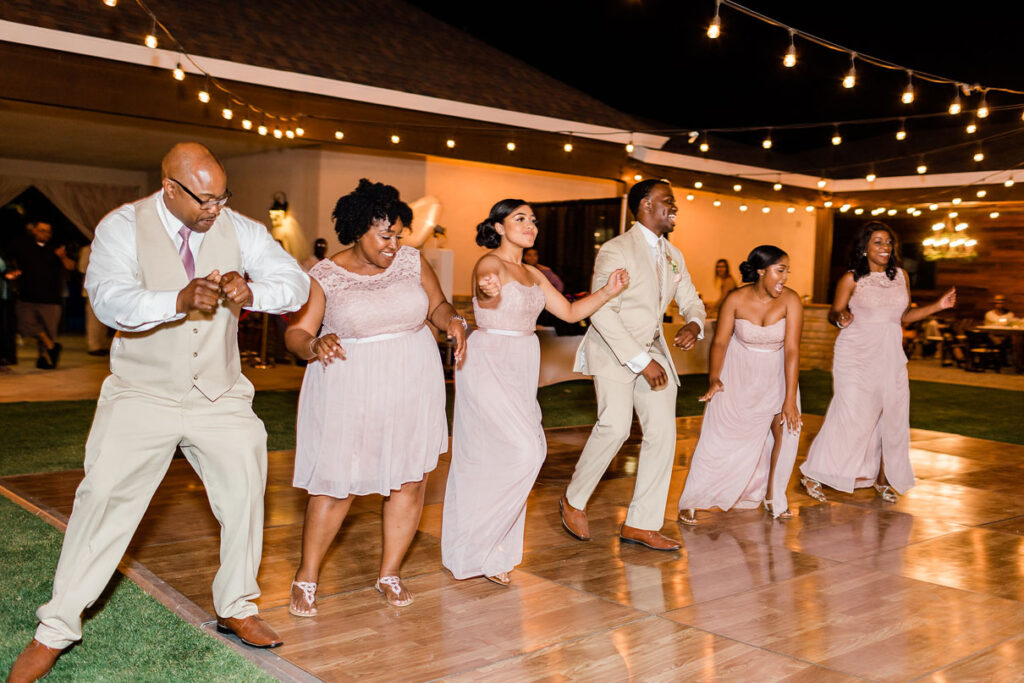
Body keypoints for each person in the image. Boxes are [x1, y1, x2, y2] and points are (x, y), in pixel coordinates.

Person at [7, 143, 309, 683]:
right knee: (101, 500)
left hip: (218, 393)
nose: (215, 208)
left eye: (222, 196)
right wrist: (175, 299)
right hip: (142, 392)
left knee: (246, 490)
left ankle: (236, 605)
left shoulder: (238, 227)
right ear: (170, 187)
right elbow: (107, 298)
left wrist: (254, 288)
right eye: (205, 199)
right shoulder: (122, 226)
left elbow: (296, 282)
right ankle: (55, 629)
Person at [286, 179, 466, 615]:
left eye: (398, 234)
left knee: (408, 479)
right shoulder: (326, 274)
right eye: (385, 235)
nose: (394, 243)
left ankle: (390, 572)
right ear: (358, 228)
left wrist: (453, 320)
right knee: (337, 482)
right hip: (351, 389)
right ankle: (306, 577)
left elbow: (436, 307)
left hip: (412, 383)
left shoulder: (411, 261)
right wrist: (313, 346)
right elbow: (297, 332)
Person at [442, 199, 628, 586]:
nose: (530, 226)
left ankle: (493, 549)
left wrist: (608, 292)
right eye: (519, 219)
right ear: (497, 226)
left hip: (521, 363)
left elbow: (572, 313)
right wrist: (487, 290)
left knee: (508, 454)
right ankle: (479, 543)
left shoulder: (533, 273)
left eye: (533, 220)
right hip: (489, 360)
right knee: (526, 451)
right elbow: (487, 291)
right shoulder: (488, 264)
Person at [560, 179, 706, 551]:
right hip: (614, 349)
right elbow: (602, 314)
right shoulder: (615, 249)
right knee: (615, 427)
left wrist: (694, 322)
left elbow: (692, 299)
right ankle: (573, 499)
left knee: (662, 434)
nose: (674, 208)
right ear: (644, 204)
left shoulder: (674, 254)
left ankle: (641, 524)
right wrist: (641, 362)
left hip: (653, 349)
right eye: (667, 201)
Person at [800, 222, 956, 504]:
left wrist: (938, 306)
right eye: (878, 242)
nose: (885, 248)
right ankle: (814, 473)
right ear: (864, 248)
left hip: (890, 355)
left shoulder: (901, 276)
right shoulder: (851, 279)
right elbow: (834, 312)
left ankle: (881, 478)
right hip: (856, 354)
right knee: (850, 415)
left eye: (888, 242)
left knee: (890, 416)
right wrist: (840, 318)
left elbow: (904, 317)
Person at [677, 245, 802, 524]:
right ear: (761, 271)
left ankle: (773, 496)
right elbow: (720, 341)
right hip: (738, 374)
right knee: (718, 437)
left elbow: (792, 349)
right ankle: (694, 498)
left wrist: (790, 398)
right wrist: (714, 378)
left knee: (786, 433)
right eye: (780, 271)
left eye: (787, 272)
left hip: (776, 375)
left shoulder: (791, 301)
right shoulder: (735, 299)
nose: (785, 278)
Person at [7, 219, 75, 369]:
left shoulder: (56, 247)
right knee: (23, 324)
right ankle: (52, 347)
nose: (46, 234)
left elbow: (71, 267)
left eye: (48, 231)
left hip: (51, 299)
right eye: (42, 230)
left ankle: (44, 358)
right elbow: (7, 259)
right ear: (34, 231)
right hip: (26, 297)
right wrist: (11, 271)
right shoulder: (21, 245)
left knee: (49, 331)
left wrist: (62, 257)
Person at [76, 243, 110, 355]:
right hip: (93, 289)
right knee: (93, 320)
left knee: (103, 320)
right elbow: (82, 268)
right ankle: (94, 346)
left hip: (106, 289)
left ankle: (102, 344)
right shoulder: (87, 249)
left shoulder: (109, 247)